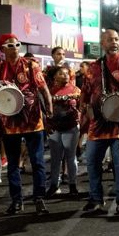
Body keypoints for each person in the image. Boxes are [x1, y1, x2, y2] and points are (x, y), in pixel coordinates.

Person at [79, 29, 119, 214]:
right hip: (97, 124)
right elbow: (85, 92)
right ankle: (96, 199)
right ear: (103, 44)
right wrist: (83, 107)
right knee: (92, 162)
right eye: (110, 40)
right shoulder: (93, 67)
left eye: (116, 39)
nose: (114, 42)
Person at [0, 33, 52, 215]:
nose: (15, 48)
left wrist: (49, 111)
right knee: (13, 164)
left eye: (17, 44)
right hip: (10, 122)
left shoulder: (30, 65)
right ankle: (16, 200)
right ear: (2, 49)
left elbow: (43, 89)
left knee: (37, 162)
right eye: (10, 45)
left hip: (32, 121)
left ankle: (39, 198)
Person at [46, 67, 81, 197]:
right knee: (55, 159)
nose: (65, 75)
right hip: (54, 128)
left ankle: (73, 185)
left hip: (71, 127)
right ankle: (54, 185)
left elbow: (82, 105)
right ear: (55, 77)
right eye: (61, 73)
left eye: (67, 73)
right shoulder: (50, 90)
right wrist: (46, 124)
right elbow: (45, 108)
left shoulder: (75, 90)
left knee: (71, 158)